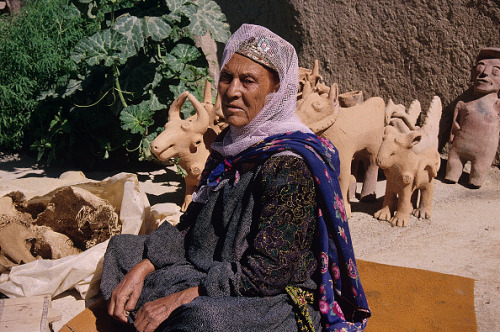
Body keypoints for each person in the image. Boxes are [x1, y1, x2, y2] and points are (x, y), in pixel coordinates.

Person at [100, 24, 370, 332]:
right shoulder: (231, 143)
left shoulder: (289, 164)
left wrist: (182, 298)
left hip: (265, 293)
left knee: (204, 320)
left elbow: (268, 274)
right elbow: (191, 224)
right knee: (122, 252)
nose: (232, 90)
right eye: (227, 77)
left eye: (248, 81)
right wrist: (144, 268)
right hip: (211, 265)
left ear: (276, 92)